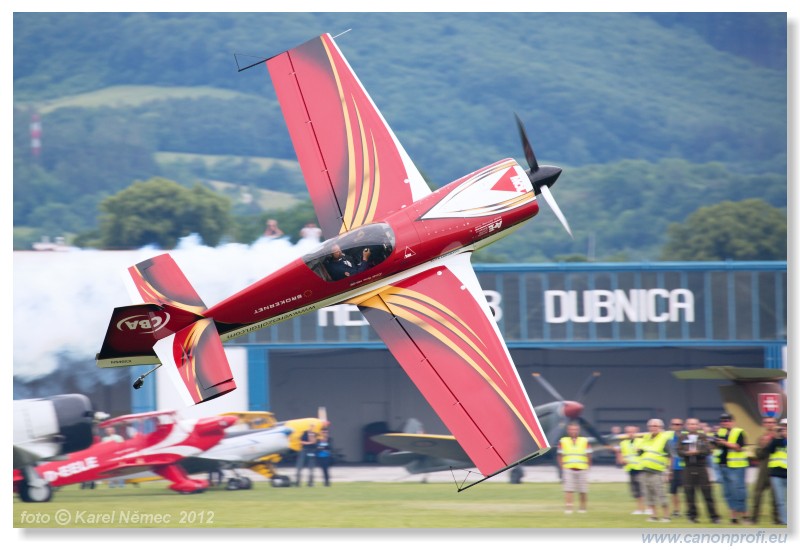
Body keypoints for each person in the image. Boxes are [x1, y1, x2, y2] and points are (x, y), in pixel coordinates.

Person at [676, 418, 721, 524]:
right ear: (687, 425)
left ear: (698, 426)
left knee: (707, 492)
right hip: (688, 467)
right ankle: (692, 516)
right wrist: (687, 453)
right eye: (690, 424)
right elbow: (678, 451)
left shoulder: (703, 437)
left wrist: (698, 452)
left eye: (694, 424)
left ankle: (714, 517)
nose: (692, 426)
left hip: (701, 467)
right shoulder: (682, 437)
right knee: (689, 493)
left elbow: (708, 450)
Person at [713, 412, 749, 524]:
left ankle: (744, 514)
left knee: (738, 490)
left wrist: (723, 442)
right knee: (727, 492)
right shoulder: (720, 432)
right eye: (723, 420)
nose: (725, 422)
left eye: (727, 420)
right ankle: (733, 515)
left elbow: (738, 447)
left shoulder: (739, 432)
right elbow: (715, 446)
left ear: (733, 421)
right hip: (723, 465)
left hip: (737, 466)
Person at [637, 418, 672, 522]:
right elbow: (641, 451)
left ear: (661, 428)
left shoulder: (665, 439)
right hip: (645, 470)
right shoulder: (646, 437)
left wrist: (669, 471)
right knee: (648, 495)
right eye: (651, 426)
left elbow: (670, 456)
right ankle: (654, 516)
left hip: (658, 471)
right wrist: (639, 451)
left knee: (661, 494)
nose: (653, 428)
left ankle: (666, 516)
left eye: (656, 426)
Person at [750, 416, 780, 525]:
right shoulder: (761, 438)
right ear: (764, 424)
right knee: (757, 494)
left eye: (772, 422)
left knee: (775, 496)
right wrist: (763, 445)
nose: (770, 424)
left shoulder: (780, 438)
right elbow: (758, 455)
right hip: (763, 470)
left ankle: (777, 519)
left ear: (775, 424)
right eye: (767, 422)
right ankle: (754, 518)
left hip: (775, 470)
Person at [557, 422, 591, 514]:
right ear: (568, 431)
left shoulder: (584, 440)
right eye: (571, 429)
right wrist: (562, 467)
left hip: (582, 468)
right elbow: (559, 455)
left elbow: (588, 454)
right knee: (568, 489)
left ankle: (582, 508)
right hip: (568, 468)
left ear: (578, 430)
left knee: (583, 490)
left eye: (575, 429)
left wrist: (588, 466)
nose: (573, 431)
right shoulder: (563, 441)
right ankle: (569, 508)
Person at [616, 425, 646, 515]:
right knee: (635, 489)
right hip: (630, 468)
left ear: (636, 431)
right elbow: (621, 453)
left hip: (640, 468)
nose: (630, 433)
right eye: (628, 432)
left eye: (632, 431)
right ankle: (639, 509)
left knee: (643, 489)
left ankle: (648, 508)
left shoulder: (641, 441)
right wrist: (621, 460)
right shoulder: (623, 443)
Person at [764, 418, 787, 525]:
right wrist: (777, 436)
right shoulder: (776, 439)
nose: (784, 429)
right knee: (780, 501)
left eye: (786, 426)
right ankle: (784, 521)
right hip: (776, 473)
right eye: (783, 426)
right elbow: (770, 450)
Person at [666, 418, 686, 517]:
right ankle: (676, 511)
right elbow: (669, 455)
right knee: (674, 491)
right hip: (674, 468)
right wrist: (669, 471)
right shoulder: (669, 439)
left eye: (679, 424)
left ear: (682, 425)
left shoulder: (686, 437)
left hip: (686, 468)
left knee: (688, 491)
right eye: (675, 424)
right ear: (671, 425)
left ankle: (689, 510)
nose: (677, 426)